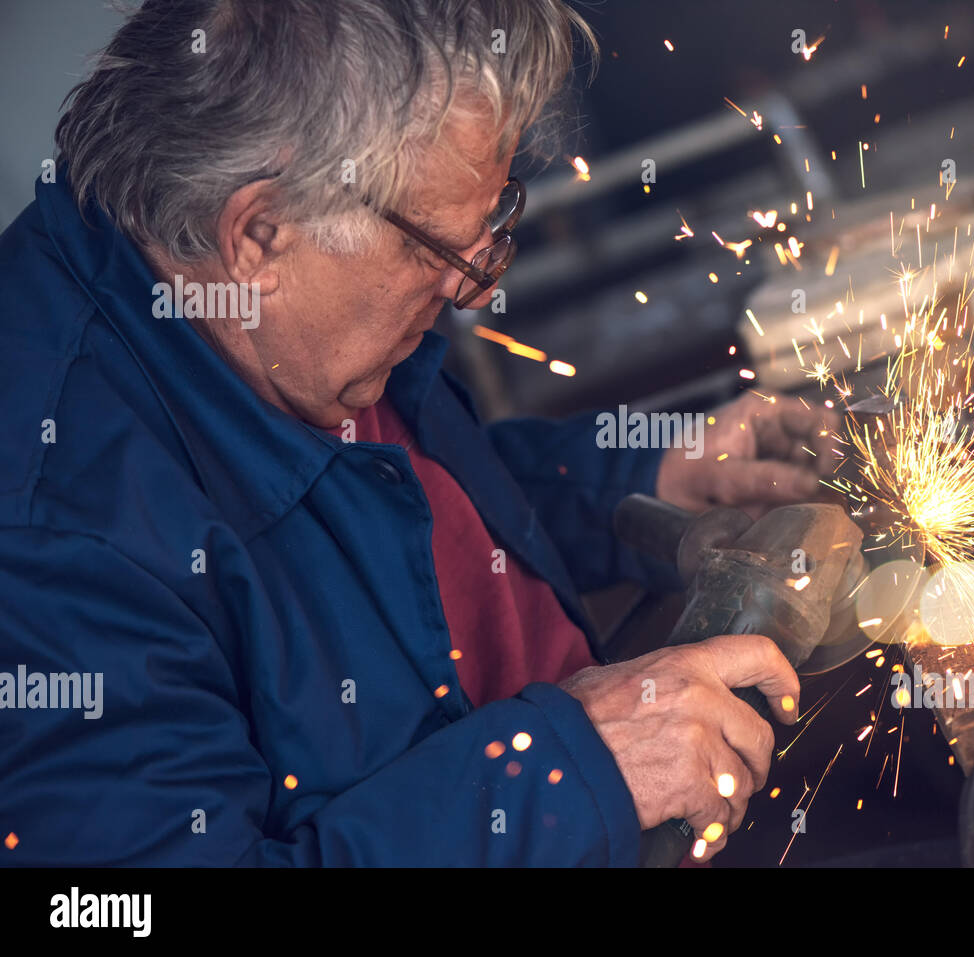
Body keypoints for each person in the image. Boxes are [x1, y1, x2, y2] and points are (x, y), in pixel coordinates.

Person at [0, 0, 836, 866]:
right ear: (258, 234)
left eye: (490, 227)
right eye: (435, 250)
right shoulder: (51, 538)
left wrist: (637, 473)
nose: (472, 291)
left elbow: (389, 511)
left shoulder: (293, 321)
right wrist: (569, 771)